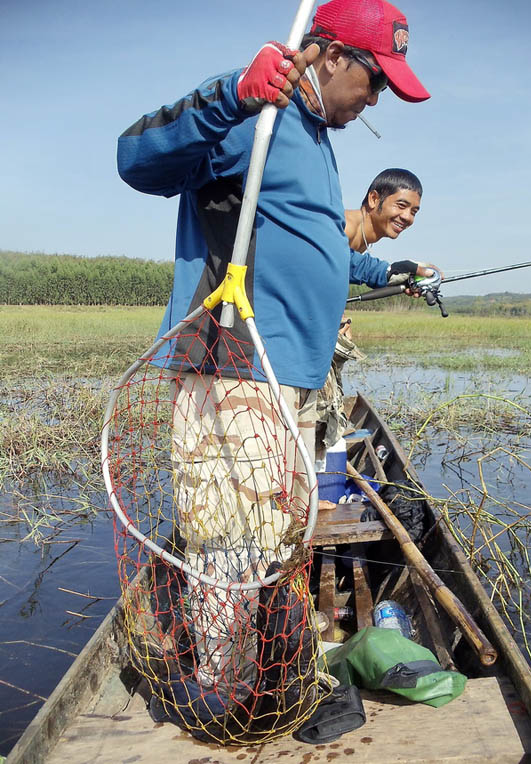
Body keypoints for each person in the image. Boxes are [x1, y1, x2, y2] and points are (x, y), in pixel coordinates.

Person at [117, 0, 430, 689]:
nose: (376, 98)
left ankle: (263, 674)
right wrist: (229, 94)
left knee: (276, 536)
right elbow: (136, 158)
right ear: (331, 55)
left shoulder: (317, 140)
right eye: (375, 81)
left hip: (292, 380)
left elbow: (322, 246)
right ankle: (225, 692)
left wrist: (392, 274)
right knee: (230, 544)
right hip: (237, 366)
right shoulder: (257, 117)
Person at [316, 168, 440, 466]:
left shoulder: (359, 240)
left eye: (414, 211)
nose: (408, 218)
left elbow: (333, 277)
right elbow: (327, 264)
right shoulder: (343, 226)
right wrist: (389, 272)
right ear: (374, 199)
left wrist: (399, 278)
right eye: (401, 206)